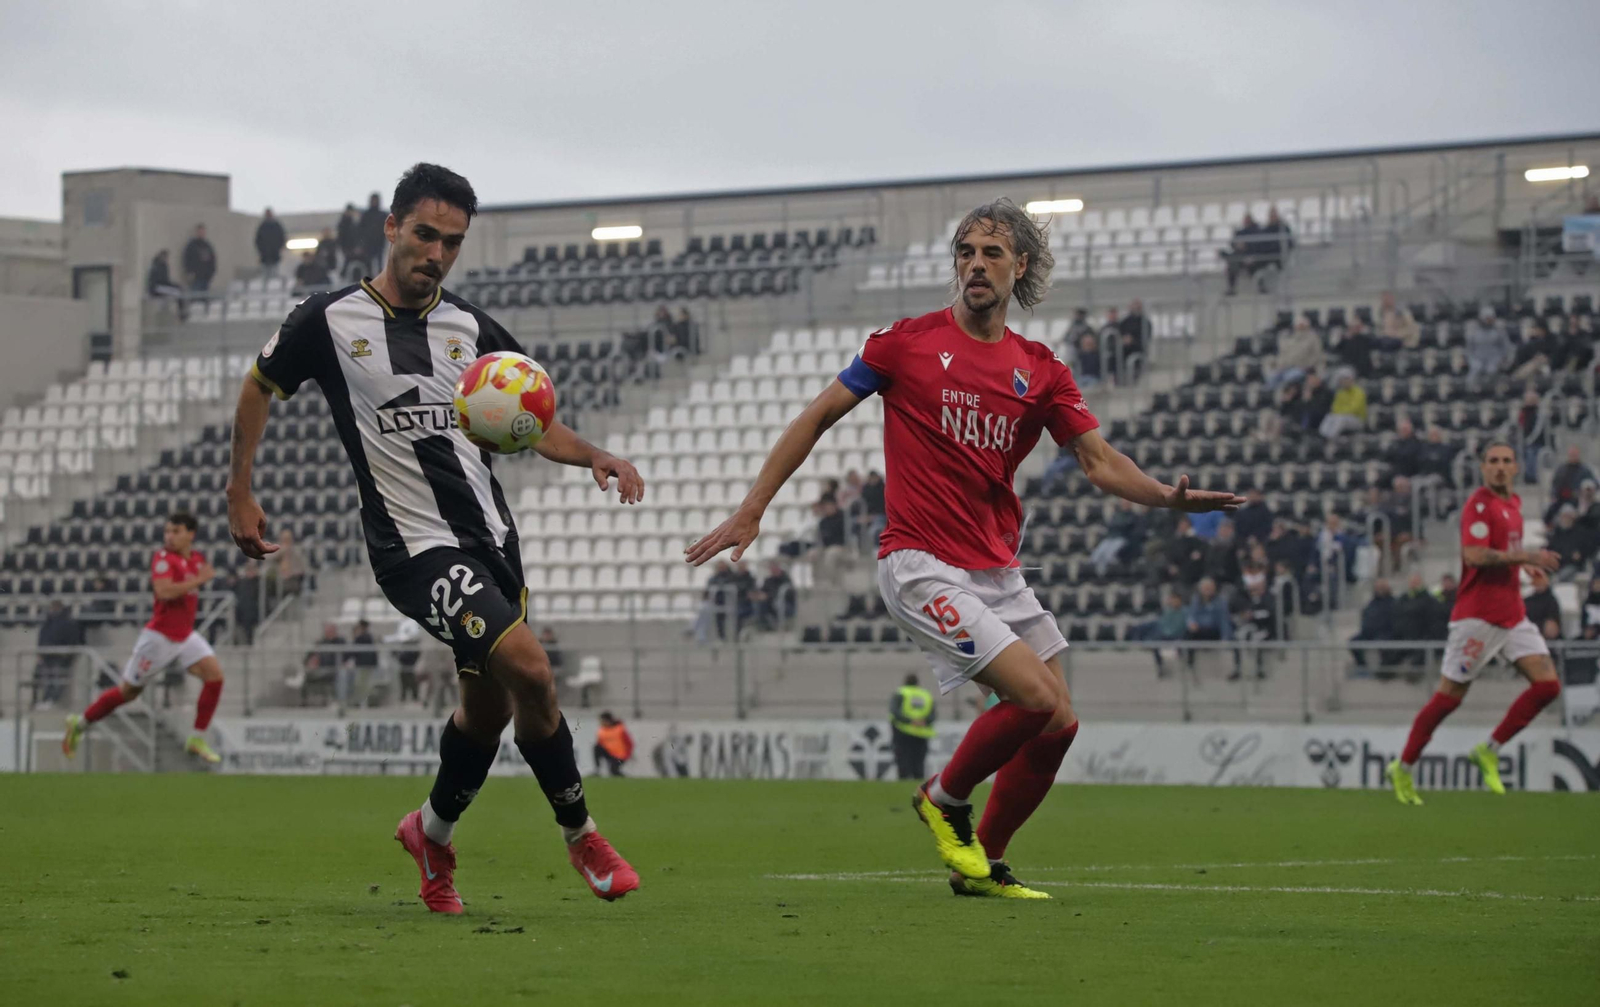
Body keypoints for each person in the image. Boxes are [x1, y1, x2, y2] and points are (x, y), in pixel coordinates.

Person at [685, 197, 1242, 899]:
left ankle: (979, 862)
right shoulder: (904, 343)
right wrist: (753, 507)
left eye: (992, 253)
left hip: (995, 569)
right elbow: (818, 414)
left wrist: (1164, 496)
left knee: (1059, 722)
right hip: (919, 562)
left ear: (1020, 266)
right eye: (966, 252)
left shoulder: (1041, 369)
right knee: (1034, 696)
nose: (976, 265)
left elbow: (1098, 461)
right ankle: (943, 798)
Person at [227, 163, 643, 911]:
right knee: (533, 670)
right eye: (425, 234)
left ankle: (431, 833)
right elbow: (259, 383)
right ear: (391, 228)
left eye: (452, 242)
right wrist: (240, 489)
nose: (437, 254)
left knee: (489, 711)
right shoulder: (328, 320)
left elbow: (533, 420)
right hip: (411, 548)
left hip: (491, 541)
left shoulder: (472, 330)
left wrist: (595, 455)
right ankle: (581, 832)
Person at [1387, 442, 1564, 805]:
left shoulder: (1513, 505)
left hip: (1512, 614)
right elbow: (1475, 556)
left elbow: (1504, 553)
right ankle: (1403, 767)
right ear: (1483, 468)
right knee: (1448, 699)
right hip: (1478, 618)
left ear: (1516, 467)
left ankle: (1489, 749)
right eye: (1493, 461)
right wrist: (1527, 556)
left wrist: (1524, 568)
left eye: (1506, 461)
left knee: (1548, 686)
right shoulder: (1478, 506)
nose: (1500, 466)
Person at [62, 512, 225, 765]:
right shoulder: (163, 558)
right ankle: (80, 723)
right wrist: (199, 580)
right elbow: (164, 591)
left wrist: (197, 578)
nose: (169, 536)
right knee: (128, 693)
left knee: (215, 677)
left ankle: (196, 738)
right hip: (159, 639)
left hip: (184, 635)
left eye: (176, 531)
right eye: (167, 531)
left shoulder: (196, 560)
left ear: (191, 534)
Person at [35, 600, 84, 707]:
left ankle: (54, 701)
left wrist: (67, 654)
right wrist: (40, 652)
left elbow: (72, 639)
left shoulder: (68, 622)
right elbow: (42, 637)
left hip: (60, 657)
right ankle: (47, 699)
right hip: (47, 656)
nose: (52, 610)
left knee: (58, 680)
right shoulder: (48, 622)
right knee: (47, 680)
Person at [889, 673, 936, 780]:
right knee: (919, 762)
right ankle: (918, 782)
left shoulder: (901, 693)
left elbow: (894, 712)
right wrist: (923, 721)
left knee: (903, 760)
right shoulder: (926, 695)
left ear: (905, 682)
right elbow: (932, 715)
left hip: (903, 732)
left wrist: (910, 721)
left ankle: (904, 781)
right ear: (917, 683)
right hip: (922, 733)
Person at [1394, 573, 1442, 674]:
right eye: (1412, 582)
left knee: (1418, 658)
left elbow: (1432, 621)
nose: (1413, 584)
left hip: (1422, 637)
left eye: (1416, 582)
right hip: (1405, 636)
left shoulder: (1429, 599)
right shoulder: (1403, 598)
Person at [1184, 577, 1234, 672]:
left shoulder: (1220, 601)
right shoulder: (1196, 600)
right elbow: (1191, 615)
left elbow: (1224, 620)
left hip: (1214, 631)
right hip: (1200, 630)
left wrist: (1225, 638)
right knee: (1188, 633)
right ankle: (1189, 663)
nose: (1207, 590)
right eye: (1205, 588)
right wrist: (1191, 623)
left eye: (1209, 588)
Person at [1350, 578, 1398, 674]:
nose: (1380, 589)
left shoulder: (1393, 603)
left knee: (1382, 643)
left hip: (1385, 634)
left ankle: (1384, 672)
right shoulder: (1371, 603)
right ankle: (1362, 667)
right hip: (1368, 634)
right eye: (1378, 587)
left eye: (1382, 587)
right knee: (1353, 642)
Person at [1268, 316, 1324, 389]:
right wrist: (1278, 364)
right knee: (1272, 378)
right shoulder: (1289, 337)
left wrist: (1308, 367)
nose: (1299, 327)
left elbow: (1316, 356)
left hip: (1302, 368)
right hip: (1285, 367)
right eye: (1298, 325)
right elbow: (1283, 353)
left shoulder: (1313, 338)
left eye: (1302, 325)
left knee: (1289, 378)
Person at [301, 622, 347, 706]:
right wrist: (310, 662)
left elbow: (346, 657)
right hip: (320, 669)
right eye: (326, 631)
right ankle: (304, 701)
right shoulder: (320, 642)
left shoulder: (340, 642)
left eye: (330, 630)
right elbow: (308, 658)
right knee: (307, 676)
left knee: (337, 676)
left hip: (333, 669)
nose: (328, 633)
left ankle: (336, 701)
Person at [1546, 445, 1594, 522]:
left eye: (1575, 454)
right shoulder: (1561, 469)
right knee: (1549, 512)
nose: (1573, 456)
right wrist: (1553, 495)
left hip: (1577, 499)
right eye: (1571, 454)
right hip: (1561, 498)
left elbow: (1593, 484)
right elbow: (1554, 485)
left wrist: (1584, 493)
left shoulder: (1585, 470)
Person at [1465, 306, 1513, 382]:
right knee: (1472, 376)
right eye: (1487, 318)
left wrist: (1501, 360)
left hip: (1494, 359)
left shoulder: (1499, 330)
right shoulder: (1473, 331)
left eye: (1491, 318)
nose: (1489, 320)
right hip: (1477, 359)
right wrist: (1473, 361)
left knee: (1491, 371)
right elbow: (1469, 349)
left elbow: (1505, 347)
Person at [1546, 506, 1596, 574]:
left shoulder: (1580, 533)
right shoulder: (1557, 533)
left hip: (1573, 565)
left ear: (1572, 518)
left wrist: (1580, 554)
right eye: (1563, 516)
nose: (1565, 519)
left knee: (1564, 574)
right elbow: (1552, 548)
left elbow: (1584, 550)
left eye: (1567, 516)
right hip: (1558, 562)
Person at [1318, 369, 1367, 439]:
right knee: (1329, 416)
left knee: (1340, 419)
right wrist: (1340, 412)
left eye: (1346, 379)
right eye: (1342, 380)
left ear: (1351, 379)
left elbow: (1354, 409)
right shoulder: (1340, 393)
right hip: (1343, 416)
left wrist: (1341, 412)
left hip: (1358, 419)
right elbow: (1334, 408)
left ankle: (1330, 438)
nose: (1344, 382)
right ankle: (1322, 436)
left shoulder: (1359, 392)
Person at [343, 618, 379, 711]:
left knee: (362, 684)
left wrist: (344, 660)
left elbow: (353, 650)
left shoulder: (363, 637)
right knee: (362, 684)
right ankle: (361, 701)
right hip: (365, 665)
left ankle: (361, 702)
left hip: (364, 665)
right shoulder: (367, 637)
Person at [386, 618, 424, 704]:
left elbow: (407, 656)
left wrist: (397, 655)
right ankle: (407, 696)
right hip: (406, 666)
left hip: (411, 666)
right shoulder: (408, 644)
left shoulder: (412, 645)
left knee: (411, 681)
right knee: (405, 682)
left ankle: (413, 696)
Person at [1223, 213, 1262, 295]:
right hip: (1241, 257)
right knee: (1233, 261)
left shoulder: (1256, 231)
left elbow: (1258, 246)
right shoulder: (1241, 232)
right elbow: (1233, 243)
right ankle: (1232, 287)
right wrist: (1237, 245)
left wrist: (1246, 246)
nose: (1245, 222)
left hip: (1253, 257)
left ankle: (1261, 286)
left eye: (1247, 220)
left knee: (1236, 261)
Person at [145, 249, 188, 319]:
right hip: (156, 288)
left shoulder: (163, 266)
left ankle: (182, 311)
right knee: (177, 293)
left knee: (179, 290)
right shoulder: (156, 266)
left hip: (161, 287)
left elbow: (166, 280)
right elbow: (160, 281)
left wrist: (176, 285)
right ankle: (182, 314)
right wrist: (174, 286)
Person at [1523, 567, 1562, 640]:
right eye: (1535, 578)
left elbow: (1551, 630)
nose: (1537, 581)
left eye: (1540, 578)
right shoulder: (1527, 601)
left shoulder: (1551, 601)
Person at [1116, 298, 1150, 383]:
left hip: (1138, 349)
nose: (1136, 308)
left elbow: (1146, 338)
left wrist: (1133, 341)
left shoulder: (1145, 322)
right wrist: (1124, 340)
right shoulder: (1124, 321)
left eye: (1138, 306)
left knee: (1135, 367)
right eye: (1134, 306)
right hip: (1124, 350)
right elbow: (1120, 334)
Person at [592, 711, 633, 777]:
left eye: (602, 721)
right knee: (596, 747)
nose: (601, 722)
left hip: (620, 755)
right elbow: (600, 743)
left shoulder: (620, 729)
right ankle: (597, 769)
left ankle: (626, 778)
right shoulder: (601, 730)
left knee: (614, 771)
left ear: (608, 720)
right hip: (609, 753)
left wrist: (628, 754)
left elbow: (629, 743)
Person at [358, 191, 388, 274]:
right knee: (368, 265)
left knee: (380, 264)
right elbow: (360, 229)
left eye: (376, 200)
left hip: (380, 243)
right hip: (368, 244)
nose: (374, 202)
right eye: (373, 200)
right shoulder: (366, 215)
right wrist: (362, 243)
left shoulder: (383, 215)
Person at [181, 224, 217, 294]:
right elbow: (186, 259)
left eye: (203, 232)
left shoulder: (207, 246)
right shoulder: (191, 245)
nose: (201, 233)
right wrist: (189, 272)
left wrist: (211, 272)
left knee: (204, 296)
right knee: (195, 296)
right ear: (197, 232)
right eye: (200, 232)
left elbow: (212, 260)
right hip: (195, 278)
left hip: (206, 277)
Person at [233, 562, 262, 644]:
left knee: (248, 617)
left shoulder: (259, 582)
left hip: (253, 610)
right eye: (248, 570)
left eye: (252, 570)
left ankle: (249, 641)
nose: (250, 572)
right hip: (241, 609)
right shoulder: (241, 582)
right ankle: (235, 641)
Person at [255, 208, 286, 277]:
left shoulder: (277, 226)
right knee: (265, 274)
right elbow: (258, 240)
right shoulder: (262, 226)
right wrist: (262, 251)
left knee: (275, 273)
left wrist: (278, 248)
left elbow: (282, 238)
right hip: (265, 256)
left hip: (275, 255)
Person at [337, 203, 362, 276]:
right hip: (346, 248)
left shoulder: (354, 223)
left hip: (352, 247)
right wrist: (344, 248)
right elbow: (342, 237)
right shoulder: (343, 223)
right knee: (346, 262)